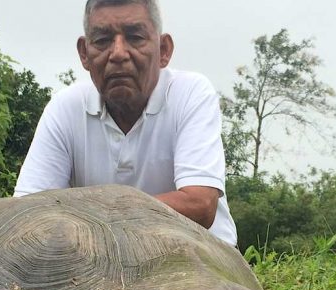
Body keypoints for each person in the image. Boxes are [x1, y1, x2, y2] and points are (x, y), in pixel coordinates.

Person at [13, 0, 237, 246]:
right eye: (102, 40)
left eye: (135, 37)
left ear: (164, 50)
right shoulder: (64, 108)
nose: (118, 53)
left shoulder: (191, 93)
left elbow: (200, 205)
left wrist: (86, 215)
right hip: (99, 264)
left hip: (200, 259)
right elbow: (26, 214)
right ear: (84, 53)